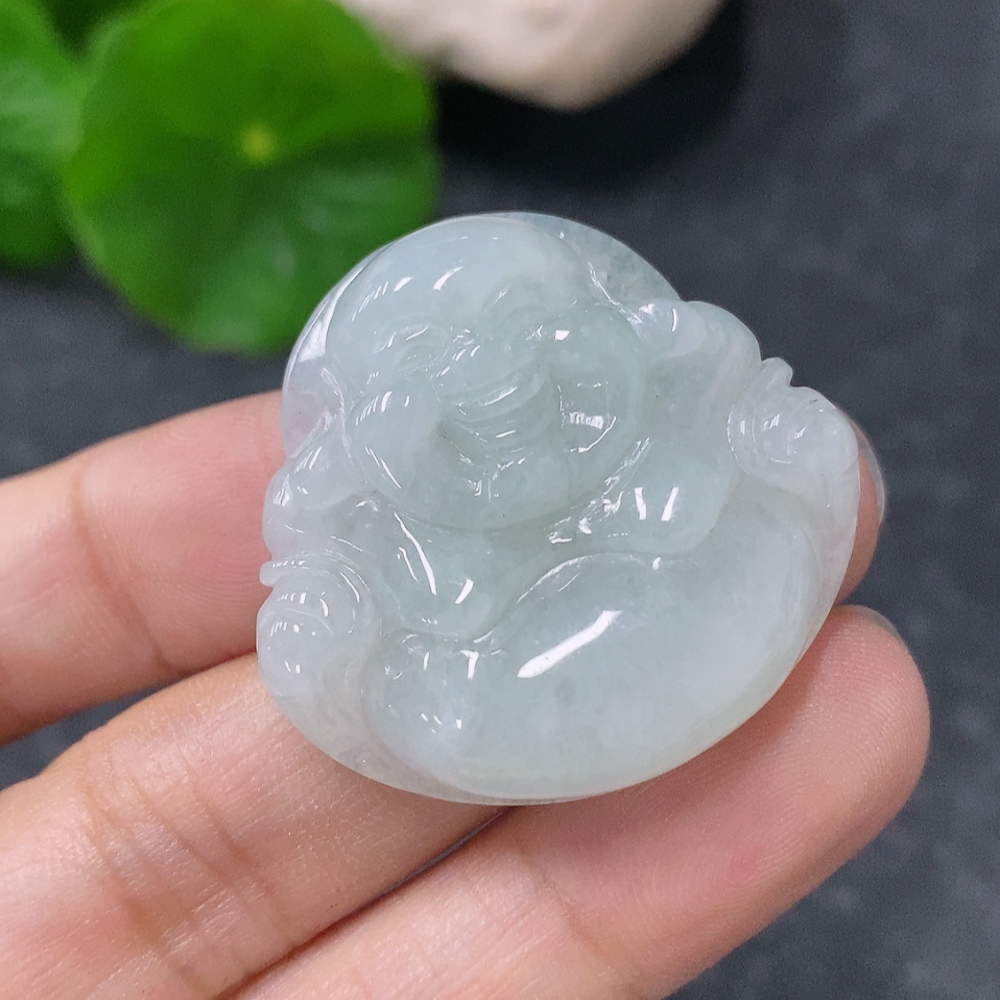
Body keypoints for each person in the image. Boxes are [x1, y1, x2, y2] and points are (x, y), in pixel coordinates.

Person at [0, 392, 928, 999]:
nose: (495, 391)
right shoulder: (405, 555)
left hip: (688, 606)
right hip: (503, 690)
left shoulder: (660, 451)